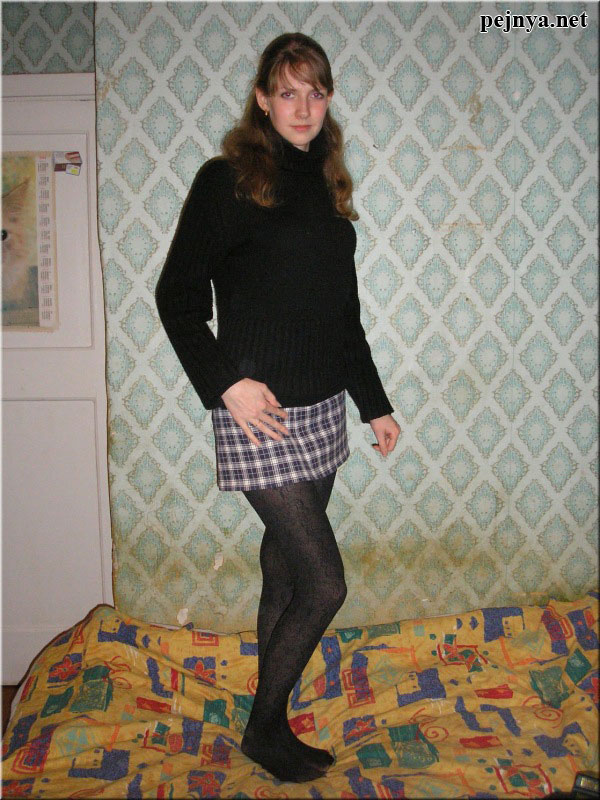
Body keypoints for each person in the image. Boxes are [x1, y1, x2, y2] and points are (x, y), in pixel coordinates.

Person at [155, 32, 401, 783]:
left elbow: (342, 319)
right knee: (325, 583)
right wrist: (226, 384)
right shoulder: (227, 181)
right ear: (262, 100)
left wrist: (375, 405)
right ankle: (264, 729)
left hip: (323, 408)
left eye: (315, 92)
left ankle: (276, 714)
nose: (303, 107)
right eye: (287, 92)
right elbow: (177, 297)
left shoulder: (326, 192)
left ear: (328, 101)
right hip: (258, 413)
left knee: (285, 571)